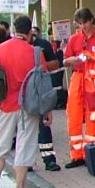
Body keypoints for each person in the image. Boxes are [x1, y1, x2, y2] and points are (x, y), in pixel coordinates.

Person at [0, 14, 46, 188]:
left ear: (12, 29)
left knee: (0, 145)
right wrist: (47, 111)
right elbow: (42, 83)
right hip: (29, 105)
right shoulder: (36, 52)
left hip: (6, 104)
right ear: (29, 32)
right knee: (25, 146)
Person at [62, 8, 95, 167]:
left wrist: (93, 58)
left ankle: (90, 151)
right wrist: (75, 59)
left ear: (91, 20)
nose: (83, 26)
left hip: (94, 81)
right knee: (74, 115)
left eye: (84, 23)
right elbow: (65, 61)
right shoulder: (74, 39)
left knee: (93, 116)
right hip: (78, 77)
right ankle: (76, 155)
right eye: (79, 24)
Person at [30, 25, 63, 172]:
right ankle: (27, 162)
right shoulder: (11, 47)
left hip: (39, 90)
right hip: (23, 95)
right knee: (26, 130)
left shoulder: (42, 46)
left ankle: (49, 160)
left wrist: (40, 65)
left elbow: (55, 63)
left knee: (43, 126)